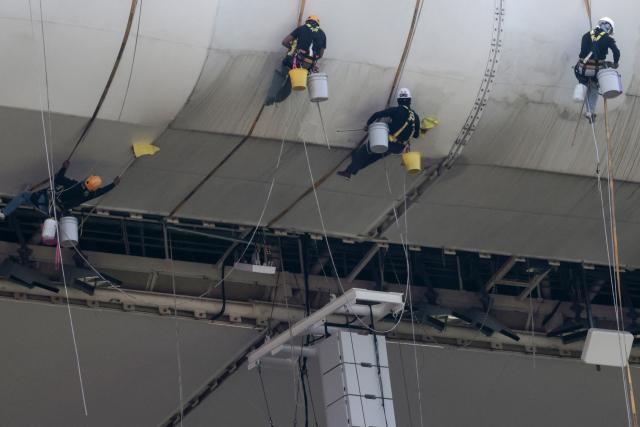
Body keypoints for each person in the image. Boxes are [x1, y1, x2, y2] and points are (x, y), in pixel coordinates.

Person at [337, 88, 429, 180]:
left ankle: (349, 171)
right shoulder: (415, 116)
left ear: (398, 100)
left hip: (386, 143)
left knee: (362, 153)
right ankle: (352, 169)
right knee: (373, 158)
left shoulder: (396, 110)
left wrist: (368, 124)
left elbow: (376, 115)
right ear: (410, 100)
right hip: (398, 148)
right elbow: (416, 135)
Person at [0, 160, 120, 219]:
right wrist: (113, 185)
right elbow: (102, 191)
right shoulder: (89, 195)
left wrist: (64, 167)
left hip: (44, 201)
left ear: (87, 180)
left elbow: (58, 178)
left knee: (24, 196)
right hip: (52, 211)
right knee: (34, 196)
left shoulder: (74, 184)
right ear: (93, 189)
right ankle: (29, 195)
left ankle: (4, 213)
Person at [265, 15, 327, 106]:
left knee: (280, 75)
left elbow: (284, 42)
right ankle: (277, 99)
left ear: (307, 22)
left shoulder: (301, 28)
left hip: (293, 60)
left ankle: (270, 97)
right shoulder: (322, 34)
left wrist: (291, 48)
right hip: (307, 66)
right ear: (317, 24)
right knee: (290, 83)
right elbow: (321, 55)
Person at [574, 17, 620, 123]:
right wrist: (615, 63)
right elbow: (616, 52)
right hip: (595, 70)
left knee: (584, 83)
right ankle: (590, 112)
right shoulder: (608, 39)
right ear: (608, 28)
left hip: (582, 69)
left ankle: (581, 87)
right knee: (594, 88)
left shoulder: (586, 35)